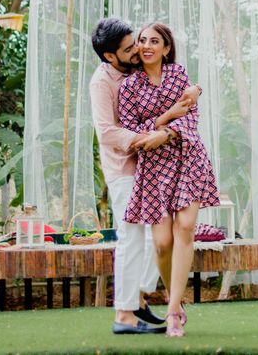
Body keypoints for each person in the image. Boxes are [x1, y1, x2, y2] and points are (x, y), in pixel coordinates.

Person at [89, 18, 200, 336]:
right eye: (130, 48)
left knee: (157, 239)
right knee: (132, 237)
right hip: (124, 167)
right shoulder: (102, 82)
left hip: (154, 167)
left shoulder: (136, 71)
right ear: (111, 56)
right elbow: (107, 133)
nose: (138, 49)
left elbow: (173, 86)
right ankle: (124, 314)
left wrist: (194, 90)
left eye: (138, 42)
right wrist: (153, 134)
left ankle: (137, 296)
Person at [119, 22, 220, 338]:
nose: (147, 45)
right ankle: (173, 297)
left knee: (185, 229)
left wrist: (166, 131)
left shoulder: (179, 75)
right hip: (153, 170)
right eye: (142, 41)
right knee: (162, 243)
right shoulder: (129, 86)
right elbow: (131, 127)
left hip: (187, 156)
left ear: (165, 47)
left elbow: (191, 115)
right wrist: (163, 119)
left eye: (154, 41)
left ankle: (174, 311)